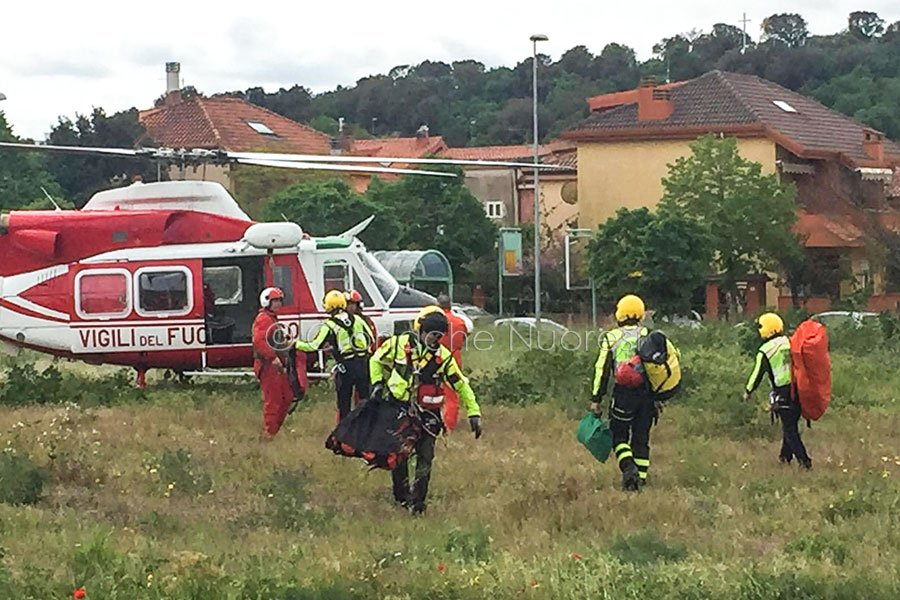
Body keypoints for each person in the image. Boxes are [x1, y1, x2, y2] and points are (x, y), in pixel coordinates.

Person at [370, 305, 483, 514]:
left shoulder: (444, 357)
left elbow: (460, 384)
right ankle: (401, 496)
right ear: (421, 330)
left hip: (428, 414)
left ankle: (418, 502)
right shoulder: (398, 345)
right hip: (399, 407)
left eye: (439, 336)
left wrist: (474, 412)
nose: (435, 340)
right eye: (432, 334)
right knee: (399, 454)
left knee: (426, 456)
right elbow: (375, 360)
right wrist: (377, 383)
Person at [590, 294, 653, 491]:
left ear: (620, 313)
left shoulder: (611, 337)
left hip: (624, 395)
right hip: (647, 395)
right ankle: (640, 481)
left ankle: (628, 468)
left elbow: (602, 369)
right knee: (641, 438)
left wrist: (596, 398)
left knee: (619, 436)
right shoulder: (649, 335)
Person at [744, 312, 812, 469]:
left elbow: (757, 374)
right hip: (799, 388)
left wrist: (748, 391)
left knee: (790, 429)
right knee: (790, 424)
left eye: (761, 326)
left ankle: (805, 461)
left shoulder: (765, 350)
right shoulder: (790, 342)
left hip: (783, 392)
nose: (759, 330)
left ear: (767, 328)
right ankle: (784, 458)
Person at [295, 289, 373, 421]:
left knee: (344, 405)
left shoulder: (329, 325)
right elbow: (370, 338)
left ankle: (343, 437)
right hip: (363, 364)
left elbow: (314, 346)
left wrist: (295, 344)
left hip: (346, 366)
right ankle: (367, 432)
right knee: (365, 401)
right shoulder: (358, 319)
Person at [252, 287, 295, 439]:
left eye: (279, 301)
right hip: (269, 366)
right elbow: (259, 341)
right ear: (267, 302)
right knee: (274, 401)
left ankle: (274, 430)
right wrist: (272, 357)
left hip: (277, 366)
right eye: (274, 301)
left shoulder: (272, 319)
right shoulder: (264, 319)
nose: (278, 304)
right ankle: (269, 433)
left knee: (287, 397)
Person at [436, 293, 469, 431]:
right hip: (455, 359)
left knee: (431, 391)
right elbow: (464, 338)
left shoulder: (435, 321)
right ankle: (450, 424)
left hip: (436, 358)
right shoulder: (460, 322)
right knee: (452, 394)